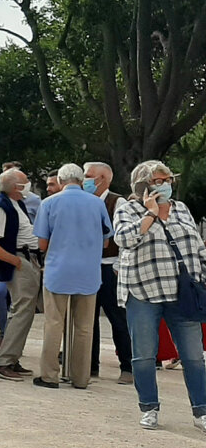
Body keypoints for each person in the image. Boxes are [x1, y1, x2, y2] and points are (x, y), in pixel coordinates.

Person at [112, 160, 206, 432]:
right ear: (143, 184)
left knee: (193, 356)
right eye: (159, 180)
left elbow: (196, 246)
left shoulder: (181, 209)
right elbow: (124, 240)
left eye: (168, 180)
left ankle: (201, 410)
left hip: (182, 293)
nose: (166, 185)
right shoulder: (127, 209)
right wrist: (150, 214)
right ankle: (149, 408)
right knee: (144, 355)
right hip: (143, 290)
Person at [32, 164, 113, 390]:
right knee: (85, 327)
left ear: (60, 180)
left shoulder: (49, 203)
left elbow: (42, 243)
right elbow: (107, 240)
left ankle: (49, 375)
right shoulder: (97, 204)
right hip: (88, 271)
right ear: (81, 180)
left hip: (58, 270)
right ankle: (81, 377)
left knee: (53, 323)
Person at [0, 167, 41, 380]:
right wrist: (15, 261)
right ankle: (5, 361)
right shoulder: (2, 208)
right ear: (16, 187)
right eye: (25, 182)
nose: (28, 185)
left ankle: (11, 358)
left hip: (24, 258)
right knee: (21, 311)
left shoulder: (14, 204)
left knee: (23, 311)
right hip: (19, 260)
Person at [84, 161, 133, 383]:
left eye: (88, 176)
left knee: (117, 318)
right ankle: (90, 365)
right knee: (88, 319)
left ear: (102, 179)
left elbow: (125, 237)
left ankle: (127, 366)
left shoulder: (117, 202)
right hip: (89, 266)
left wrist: (118, 266)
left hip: (109, 266)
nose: (85, 180)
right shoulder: (85, 201)